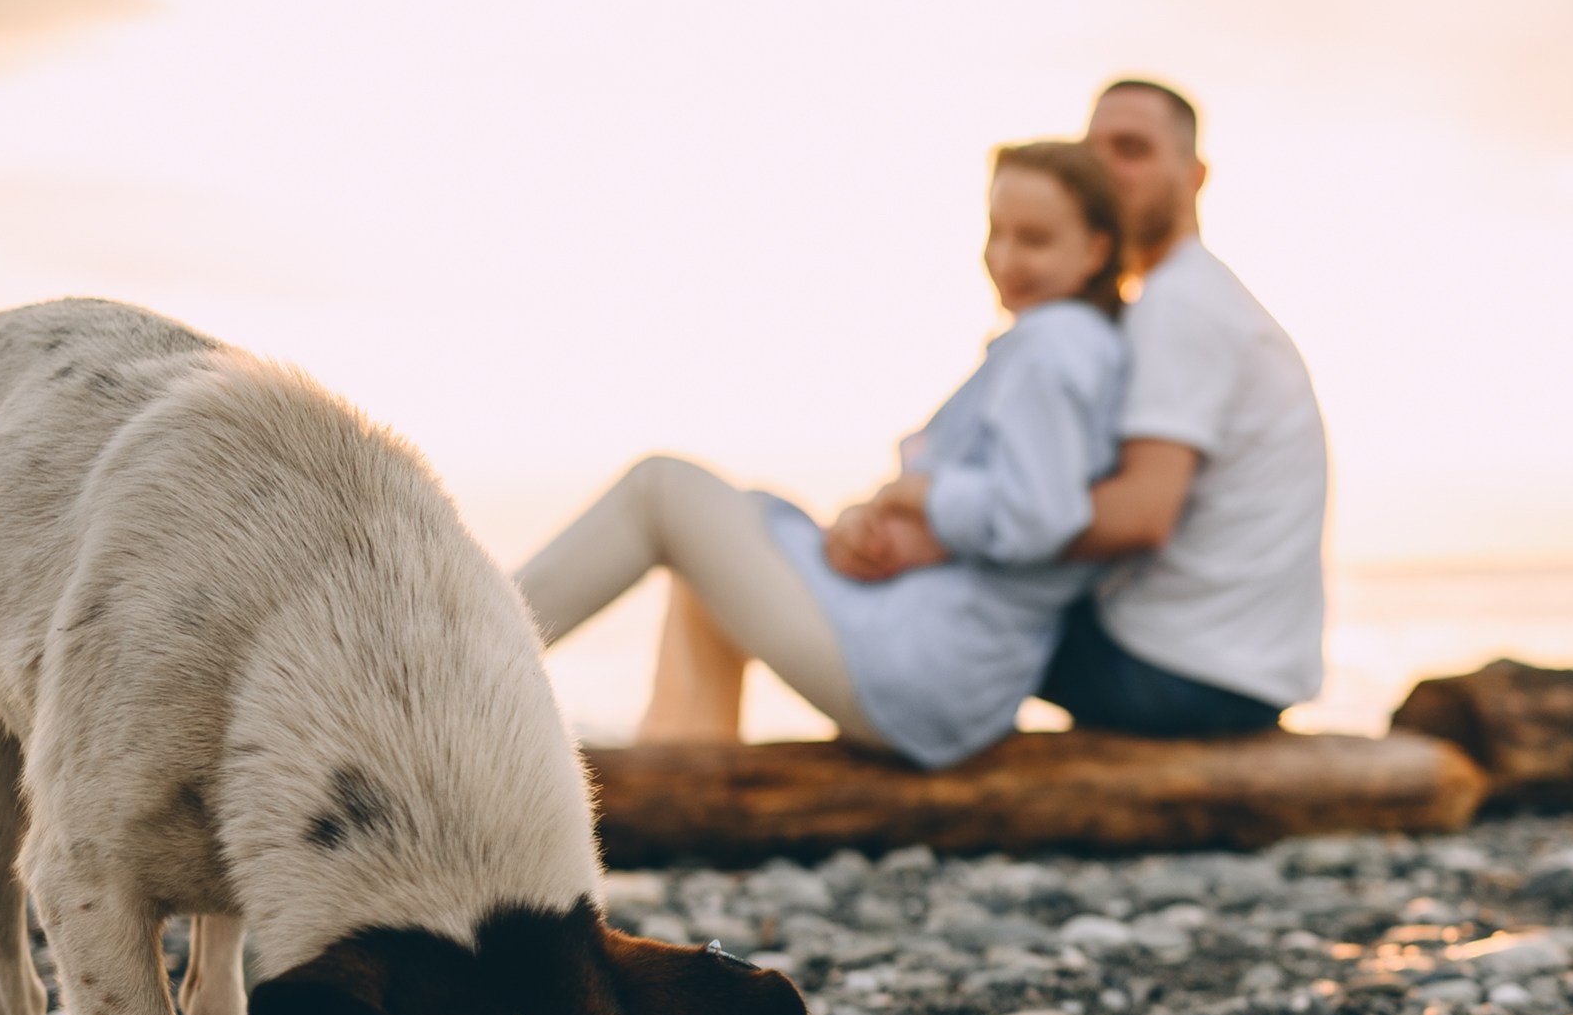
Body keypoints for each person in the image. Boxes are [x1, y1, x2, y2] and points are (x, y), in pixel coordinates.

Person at [513, 140, 1129, 769]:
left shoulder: (1053, 348)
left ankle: (451, 661)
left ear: (1096, 251)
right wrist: (879, 513)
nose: (1005, 258)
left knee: (661, 492)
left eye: (1035, 240)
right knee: (731, 524)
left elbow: (1046, 518)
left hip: (919, 669)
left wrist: (915, 497)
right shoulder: (1065, 345)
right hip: (932, 661)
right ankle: (683, 759)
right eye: (997, 233)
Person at [1037, 78, 1330, 735]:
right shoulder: (1191, 294)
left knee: (942, 603)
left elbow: (1139, 516)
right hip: (1240, 669)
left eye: (1132, 149)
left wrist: (945, 531)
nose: (1105, 169)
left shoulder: (1179, 305)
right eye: (1094, 150)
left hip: (1184, 675)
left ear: (1194, 176)